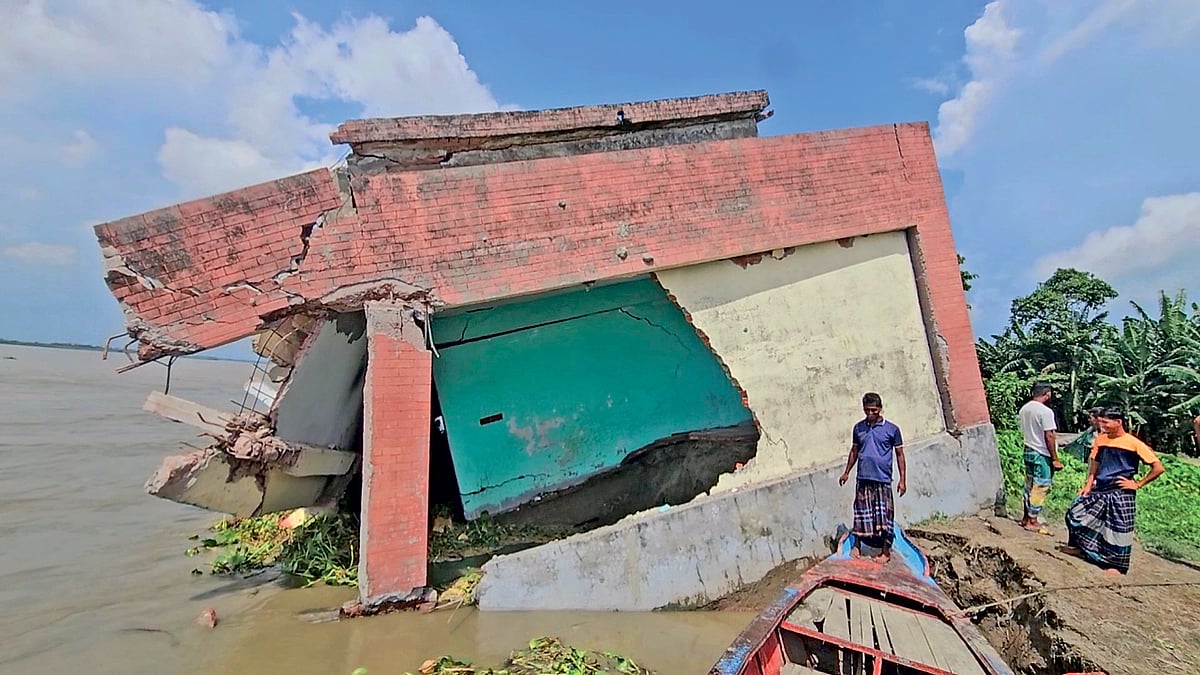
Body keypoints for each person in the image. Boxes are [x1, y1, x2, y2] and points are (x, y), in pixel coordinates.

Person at [1064, 407, 1165, 576]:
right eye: (1101, 422)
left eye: (1106, 422)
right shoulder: (1101, 439)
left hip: (1120, 491)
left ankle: (1116, 565)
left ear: (1118, 422)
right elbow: (1095, 463)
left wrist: (1137, 484)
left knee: (1118, 530)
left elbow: (1158, 467)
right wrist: (1088, 485)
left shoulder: (1134, 443)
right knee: (1075, 513)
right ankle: (1083, 548)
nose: (1102, 425)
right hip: (1101, 487)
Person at [839, 392, 907, 563]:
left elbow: (899, 454)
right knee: (862, 514)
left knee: (884, 516)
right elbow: (854, 451)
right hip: (863, 478)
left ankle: (885, 552)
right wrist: (847, 471)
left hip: (883, 480)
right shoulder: (858, 428)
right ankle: (857, 546)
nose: (870, 413)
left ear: (880, 409)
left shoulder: (892, 429)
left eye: (874, 410)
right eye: (867, 410)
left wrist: (902, 479)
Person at [1019, 382, 1061, 535]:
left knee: (1029, 485)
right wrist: (1055, 458)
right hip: (1041, 452)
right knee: (1041, 486)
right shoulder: (1045, 412)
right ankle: (1032, 520)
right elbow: (1049, 435)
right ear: (1047, 394)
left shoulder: (1025, 409)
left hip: (1028, 449)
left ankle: (1025, 517)